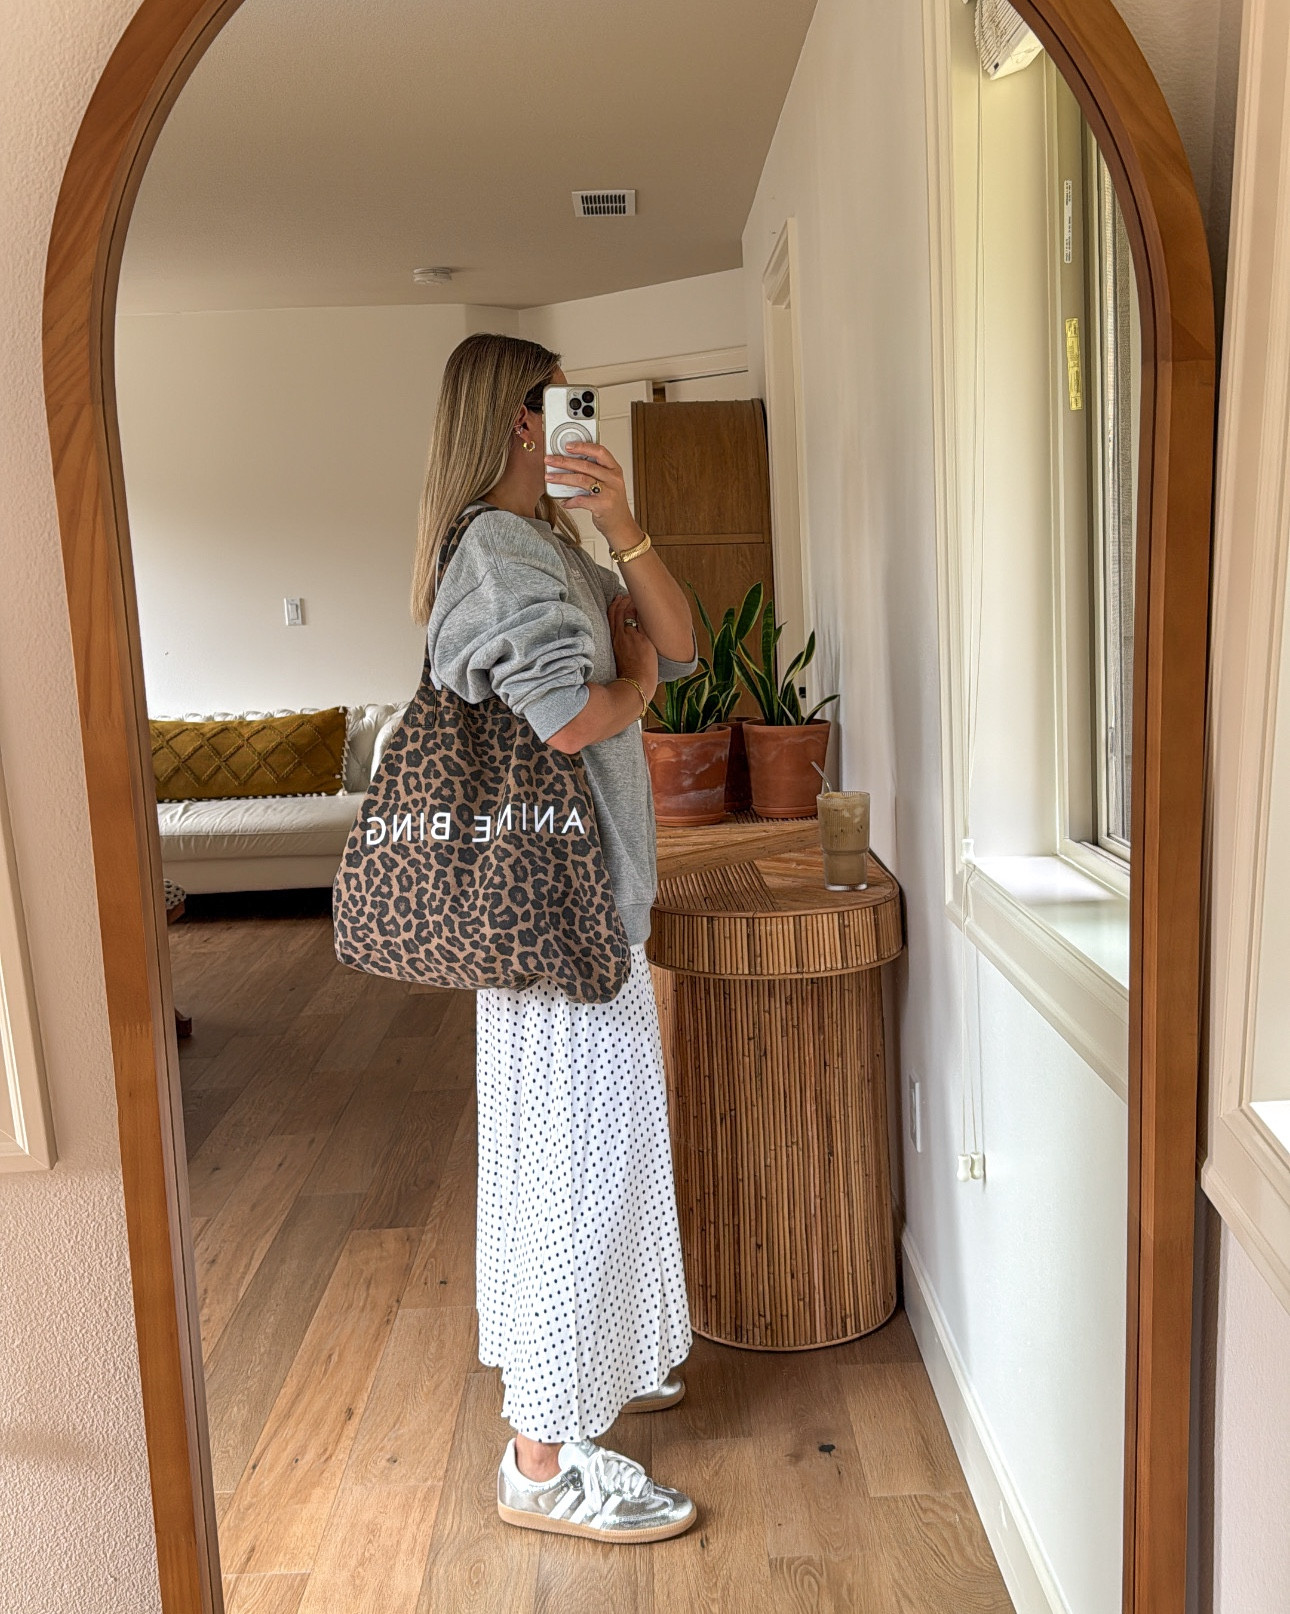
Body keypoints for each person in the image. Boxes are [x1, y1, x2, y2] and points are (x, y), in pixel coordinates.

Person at [414, 333, 700, 1543]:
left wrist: (622, 523)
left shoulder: (552, 542)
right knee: (572, 1176)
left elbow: (681, 640)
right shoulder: (496, 547)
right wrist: (633, 689)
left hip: (578, 909)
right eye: (558, 400)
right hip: (560, 917)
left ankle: (578, 1377)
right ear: (521, 420)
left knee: (582, 1164)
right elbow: (571, 719)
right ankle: (541, 1461)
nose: (576, 414)